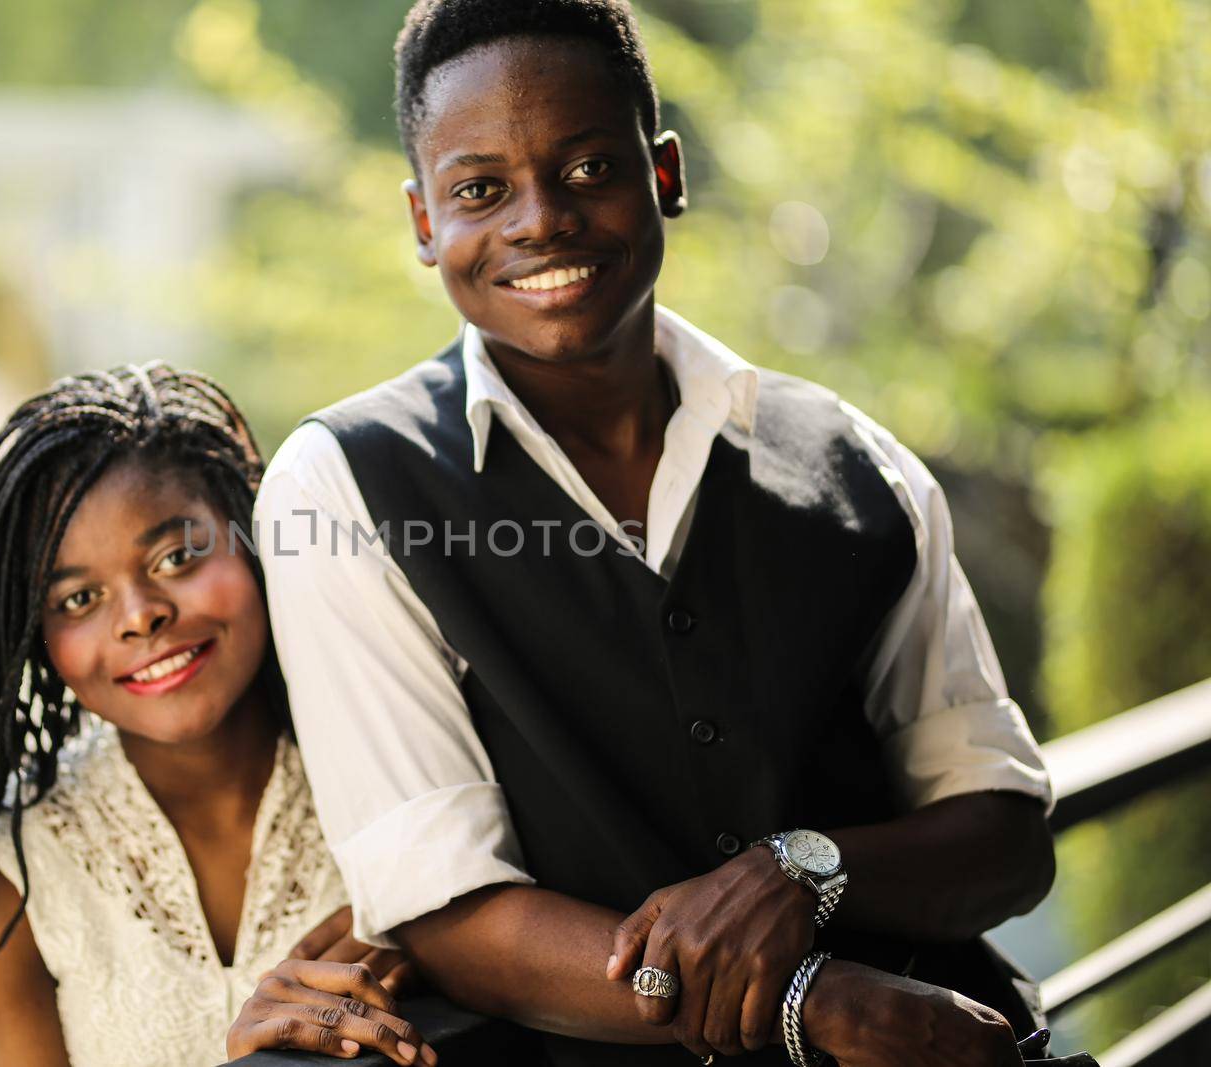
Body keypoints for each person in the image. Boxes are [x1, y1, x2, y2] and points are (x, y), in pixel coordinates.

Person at [253, 2, 1057, 1065]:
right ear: (421, 222)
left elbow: (1003, 831)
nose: (539, 219)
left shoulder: (854, 460)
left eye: (588, 169)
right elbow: (443, 907)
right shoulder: (343, 485)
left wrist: (805, 865)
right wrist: (815, 1001)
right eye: (480, 189)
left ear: (663, 174)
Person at [0, 365, 438, 1067]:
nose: (140, 615)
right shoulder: (4, 875)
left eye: (176, 555)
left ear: (250, 535)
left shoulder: (404, 762)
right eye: (78, 599)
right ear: (39, 644)